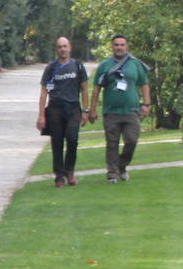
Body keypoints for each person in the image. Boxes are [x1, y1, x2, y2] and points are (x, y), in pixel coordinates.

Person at [88, 35, 151, 183]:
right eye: (116, 45)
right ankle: (112, 173)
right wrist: (92, 109)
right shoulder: (104, 65)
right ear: (112, 47)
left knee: (132, 140)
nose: (119, 47)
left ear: (126, 46)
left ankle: (122, 166)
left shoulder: (135, 64)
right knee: (112, 143)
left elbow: (144, 83)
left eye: (122, 45)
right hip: (111, 111)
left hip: (131, 110)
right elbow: (96, 88)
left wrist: (146, 104)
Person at [37, 37, 89, 187]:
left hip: (73, 108)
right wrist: (41, 115)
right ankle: (59, 175)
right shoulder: (51, 68)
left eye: (65, 46)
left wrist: (85, 111)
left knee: (72, 139)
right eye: (59, 47)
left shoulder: (77, 66)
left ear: (70, 47)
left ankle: (70, 171)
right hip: (55, 109)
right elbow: (43, 92)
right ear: (56, 49)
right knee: (57, 143)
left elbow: (85, 89)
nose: (62, 49)